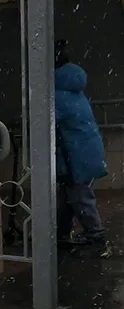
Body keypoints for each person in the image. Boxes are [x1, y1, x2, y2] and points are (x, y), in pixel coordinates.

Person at [54, 38, 107, 246]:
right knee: (69, 195)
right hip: (86, 149)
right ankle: (60, 233)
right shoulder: (74, 88)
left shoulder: (56, 94)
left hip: (74, 154)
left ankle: (95, 232)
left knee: (78, 194)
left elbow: (47, 122)